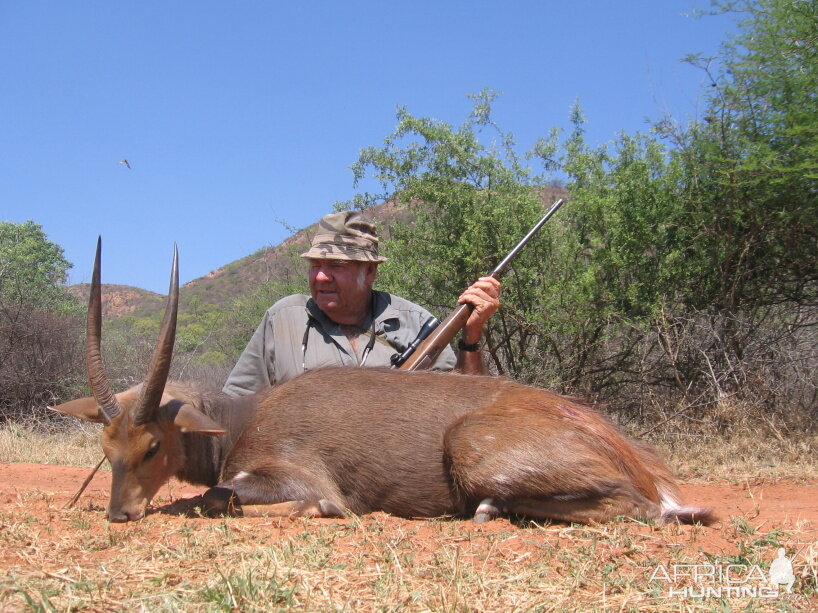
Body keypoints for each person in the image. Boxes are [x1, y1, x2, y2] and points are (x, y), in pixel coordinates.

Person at [223, 211, 501, 396]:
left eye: (337, 265)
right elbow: (236, 404)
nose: (321, 276)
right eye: (315, 265)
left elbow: (469, 404)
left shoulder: (416, 324)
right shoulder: (282, 319)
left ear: (369, 272)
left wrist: (471, 338)